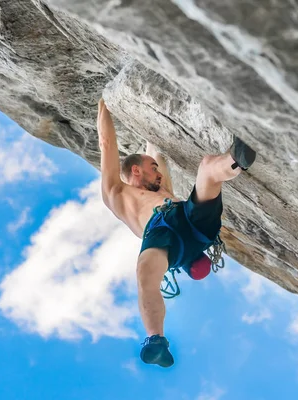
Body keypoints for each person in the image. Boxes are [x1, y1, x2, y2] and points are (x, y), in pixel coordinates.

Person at [96, 98, 256, 367]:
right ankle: (156, 340)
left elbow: (153, 144)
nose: (159, 173)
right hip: (160, 234)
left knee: (207, 169)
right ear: (135, 170)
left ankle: (236, 158)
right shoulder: (116, 193)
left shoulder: (163, 189)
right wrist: (104, 103)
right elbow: (106, 143)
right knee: (145, 276)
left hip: (189, 221)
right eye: (153, 168)